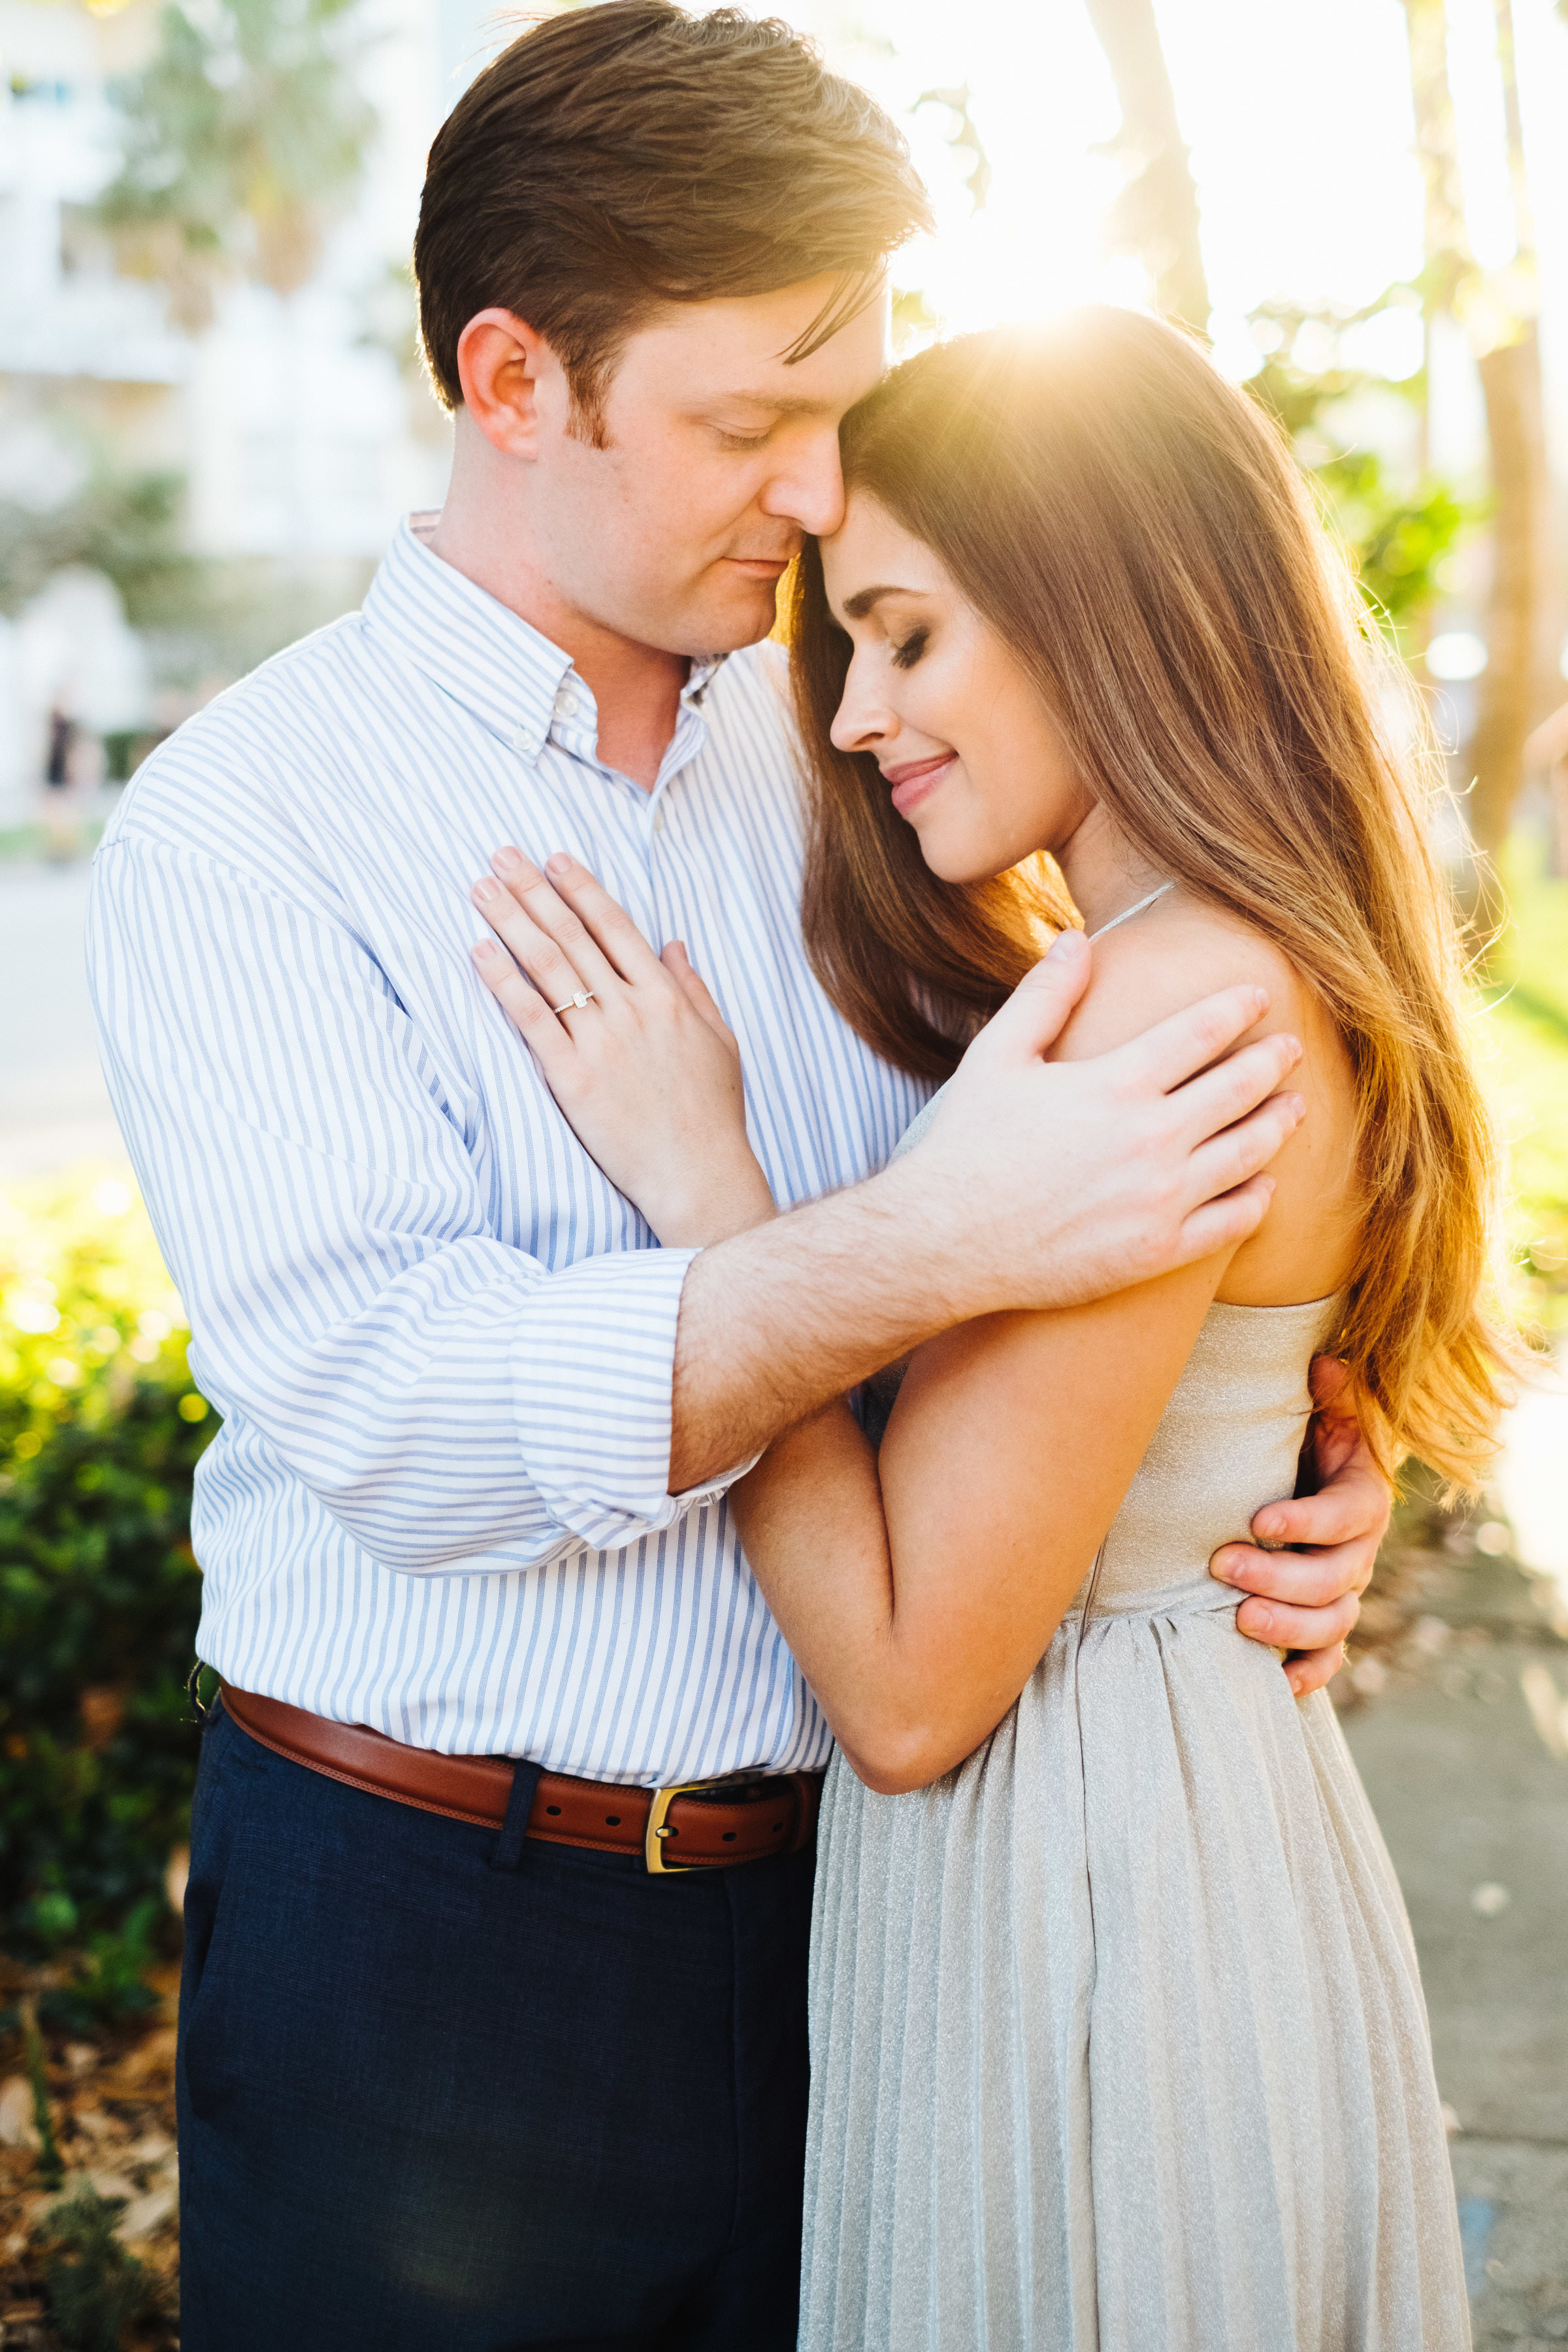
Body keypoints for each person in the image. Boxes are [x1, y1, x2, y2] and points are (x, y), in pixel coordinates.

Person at [85, 10, 1384, 2345]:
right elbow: (395, 1407)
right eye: (747, 422)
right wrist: (905, 1247)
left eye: (842, 420)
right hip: (440, 1939)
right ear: (515, 382)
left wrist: (1260, 1475)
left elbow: (1103, 1251)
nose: (812, 497)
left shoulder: (887, 753)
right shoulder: (249, 823)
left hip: (891, 1921)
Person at [470, 312, 1516, 2349]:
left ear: (1103, 605)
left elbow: (905, 1686)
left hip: (1101, 1901)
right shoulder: (1203, 952)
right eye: (844, 646)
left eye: (910, 635)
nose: (858, 714)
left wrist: (714, 1202)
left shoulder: (1165, 1000)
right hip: (1179, 1843)